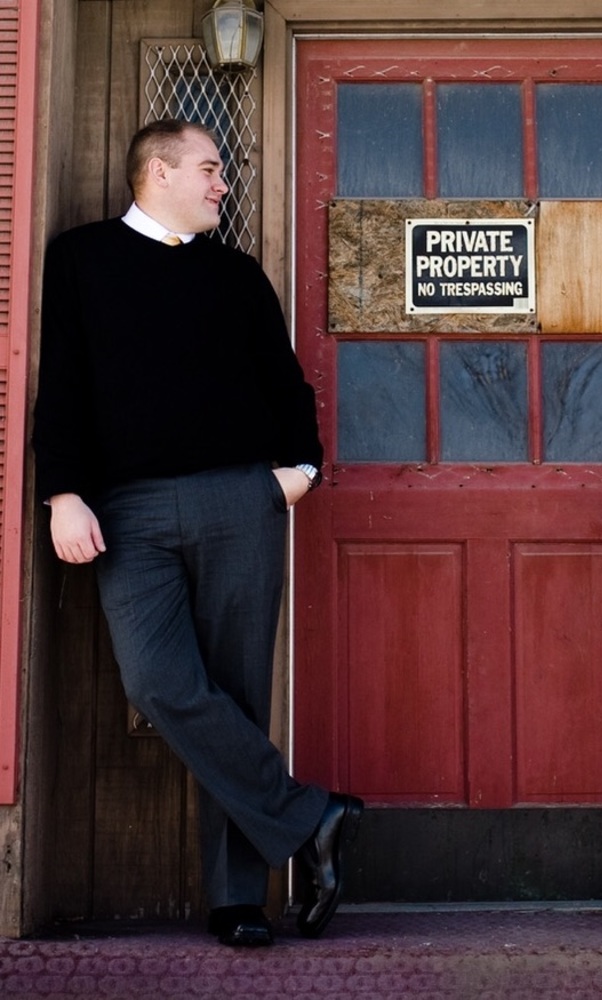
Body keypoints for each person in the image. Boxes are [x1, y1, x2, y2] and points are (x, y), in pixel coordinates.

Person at [32, 118, 362, 948]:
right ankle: (311, 816)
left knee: (240, 695)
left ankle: (237, 899)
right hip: (129, 512)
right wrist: (63, 494)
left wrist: (300, 472)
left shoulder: (237, 276)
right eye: (210, 170)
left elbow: (286, 384)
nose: (222, 185)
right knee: (159, 682)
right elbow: (62, 382)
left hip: (239, 501)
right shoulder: (80, 259)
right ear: (157, 172)